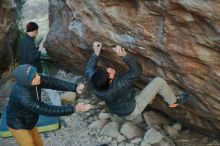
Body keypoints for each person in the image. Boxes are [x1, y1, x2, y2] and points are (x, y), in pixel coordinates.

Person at [85, 41, 189, 119]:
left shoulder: (95, 81)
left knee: (140, 90)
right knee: (159, 81)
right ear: (110, 81)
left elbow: (89, 69)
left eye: (105, 69)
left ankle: (150, 98)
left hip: (117, 108)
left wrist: (96, 53)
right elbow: (137, 70)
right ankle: (173, 101)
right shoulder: (121, 84)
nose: (109, 68)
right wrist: (125, 56)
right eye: (109, 72)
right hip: (132, 109)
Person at [6, 64, 91, 146]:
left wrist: (74, 87)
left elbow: (53, 82)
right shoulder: (23, 97)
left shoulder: (33, 80)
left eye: (37, 73)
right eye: (34, 76)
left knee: (38, 144)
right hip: (17, 124)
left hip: (29, 121)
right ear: (26, 81)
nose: (39, 76)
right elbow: (46, 109)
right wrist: (74, 109)